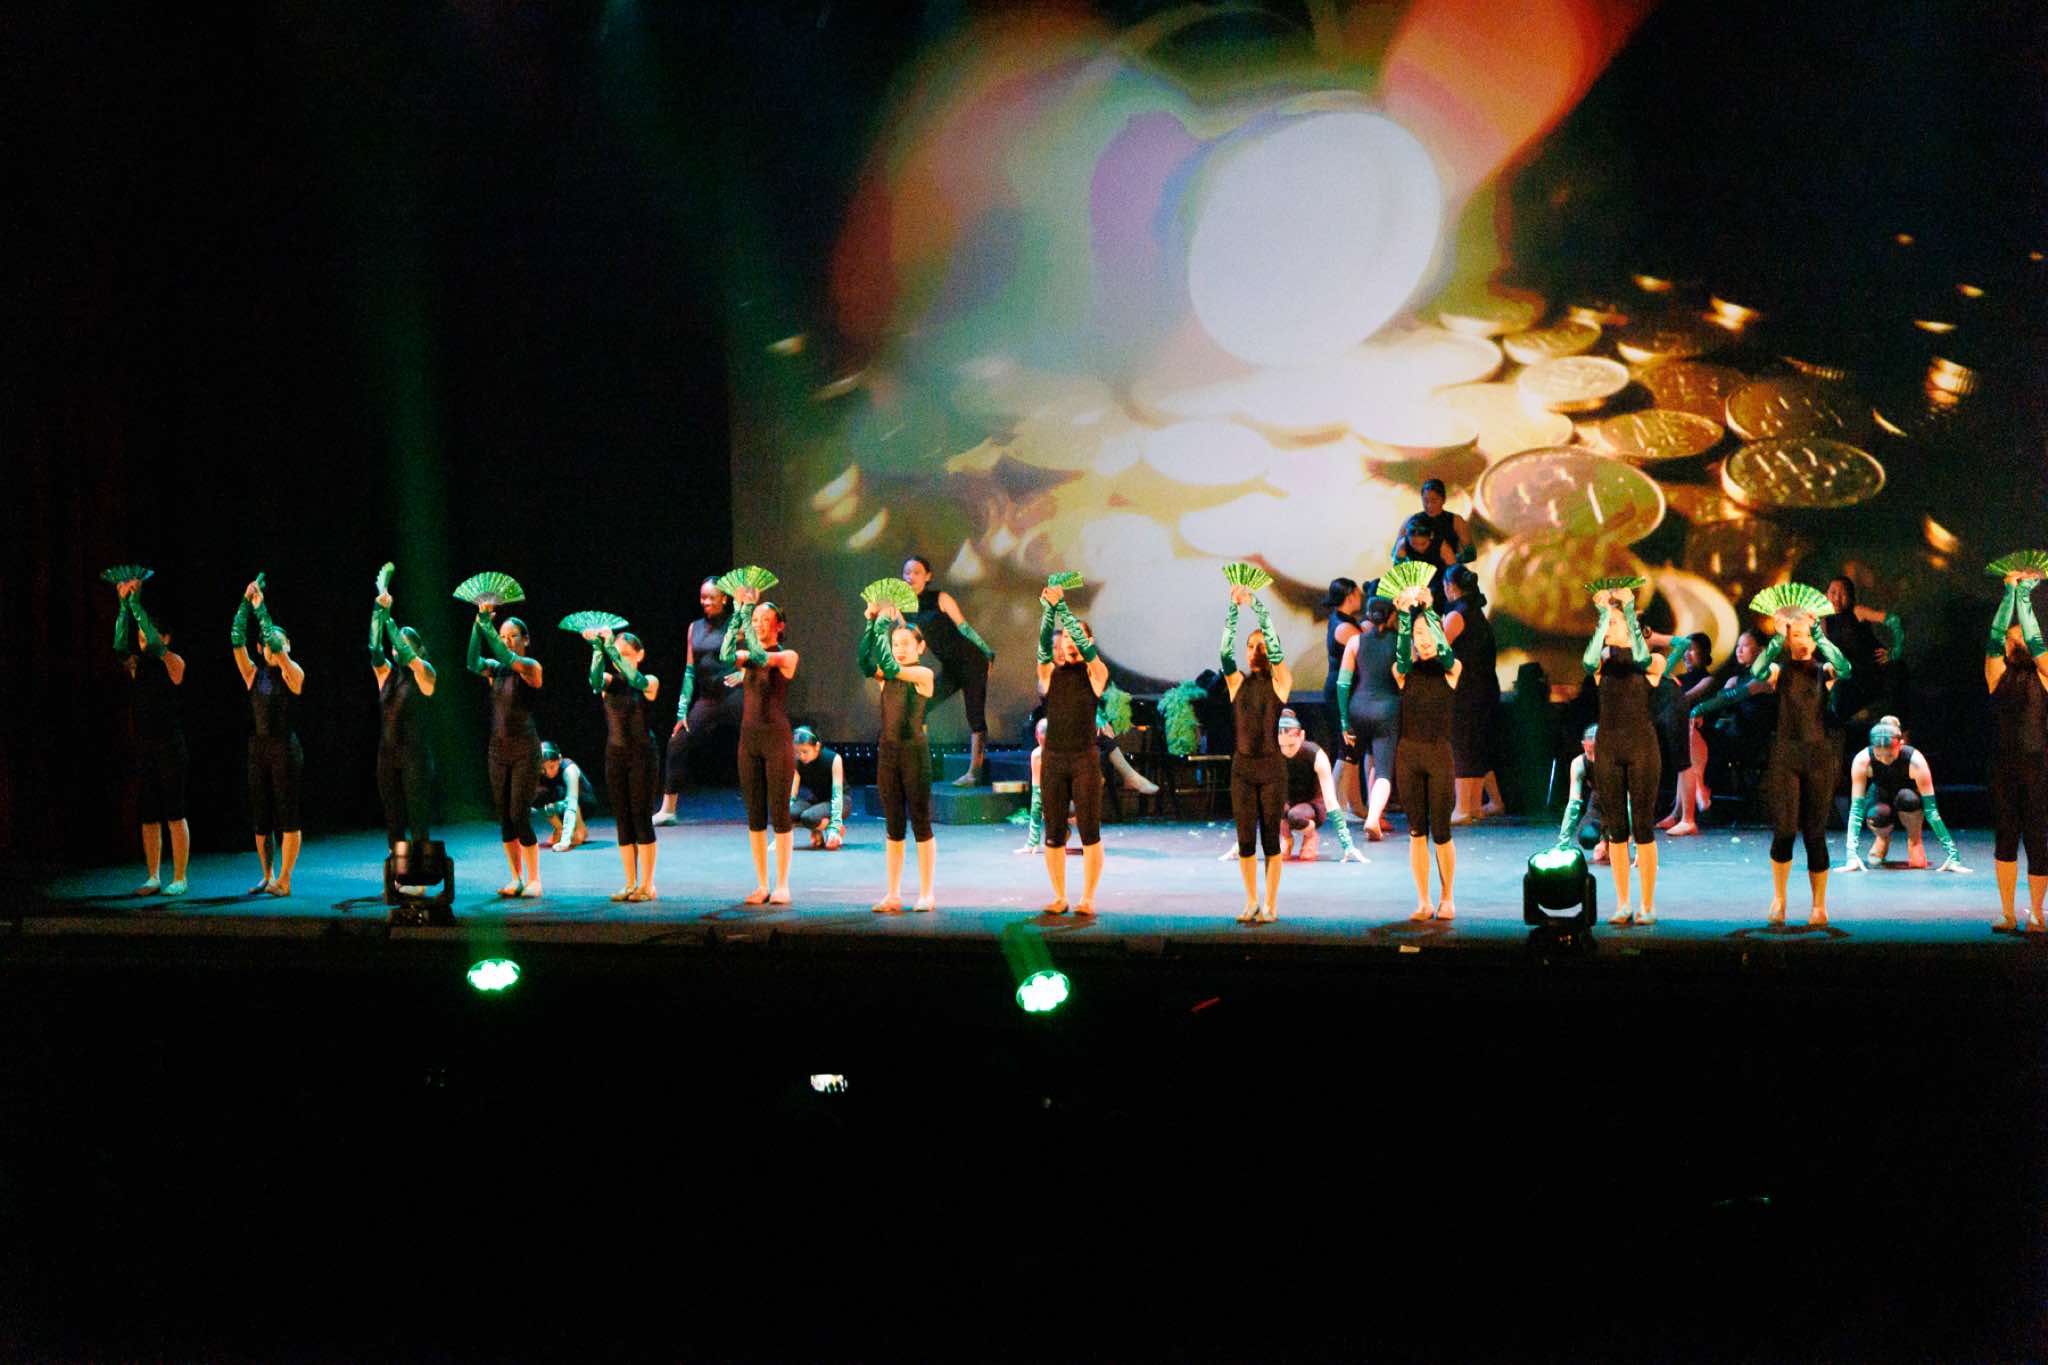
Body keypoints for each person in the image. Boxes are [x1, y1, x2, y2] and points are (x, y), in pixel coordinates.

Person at [1748, 604, 1855, 927]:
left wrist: (1819, 635)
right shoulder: (1778, 671)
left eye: (1807, 635)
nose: (1803, 640)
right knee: (1784, 831)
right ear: (1787, 639)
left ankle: (1819, 905)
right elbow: (1757, 670)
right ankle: (1779, 898)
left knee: (1815, 833)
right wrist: (1777, 639)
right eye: (1797, 635)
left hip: (1819, 757)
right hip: (1786, 756)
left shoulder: (1824, 671)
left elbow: (1845, 667)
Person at [1581, 585, 1666, 925]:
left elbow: (1642, 659)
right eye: (1607, 623)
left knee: (1642, 825)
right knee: (1615, 827)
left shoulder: (1653, 661)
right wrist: (1605, 616)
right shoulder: (1601, 664)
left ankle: (1648, 903)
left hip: (1642, 747)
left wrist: (1627, 611)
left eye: (1615, 623)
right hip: (1609, 748)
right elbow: (1587, 661)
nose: (1609, 628)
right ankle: (1622, 903)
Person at [859, 600, 938, 912]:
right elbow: (865, 662)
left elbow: (891, 668)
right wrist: (870, 623)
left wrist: (882, 625)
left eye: (906, 643)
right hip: (888, 754)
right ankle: (893, 893)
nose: (900, 649)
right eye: (895, 644)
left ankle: (926, 892)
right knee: (893, 823)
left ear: (921, 647)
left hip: (914, 754)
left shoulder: (922, 674)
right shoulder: (886, 677)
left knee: (920, 820)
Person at [1221, 585, 1293, 923]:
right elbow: (1225, 653)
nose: (1254, 652)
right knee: (1245, 838)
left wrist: (1260, 609)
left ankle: (1271, 903)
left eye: (1260, 646)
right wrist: (1234, 611)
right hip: (1243, 769)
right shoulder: (1237, 683)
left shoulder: (1280, 682)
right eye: (1250, 647)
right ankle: (1251, 900)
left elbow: (1276, 653)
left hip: (1271, 768)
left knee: (1270, 839)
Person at [1035, 584, 1109, 914]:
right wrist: (1049, 611)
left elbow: (1092, 660)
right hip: (1054, 759)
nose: (1068, 639)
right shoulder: (1050, 674)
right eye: (1065, 635)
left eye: (1075, 635)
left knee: (1090, 831)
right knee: (1053, 832)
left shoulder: (1095, 674)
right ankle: (1059, 895)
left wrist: (1062, 609)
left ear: (1088, 641)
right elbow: (1042, 648)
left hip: (1084, 760)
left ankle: (1088, 898)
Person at [726, 585, 800, 905]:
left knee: (779, 812)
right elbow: (726, 654)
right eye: (754, 619)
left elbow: (759, 657)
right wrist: (738, 613)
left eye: (764, 619)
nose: (758, 624)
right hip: (749, 741)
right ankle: (761, 884)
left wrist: (745, 615)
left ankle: (782, 883)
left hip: (776, 741)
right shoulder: (748, 657)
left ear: (779, 626)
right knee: (754, 814)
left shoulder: (787, 656)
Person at [114, 578, 188, 896]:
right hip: (145, 746)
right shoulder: (137, 665)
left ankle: (180, 877)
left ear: (166, 637)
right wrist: (123, 606)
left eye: (150, 635)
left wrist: (136, 604)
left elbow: (157, 648)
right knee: (148, 814)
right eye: (142, 636)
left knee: (174, 812)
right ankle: (153, 875)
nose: (144, 639)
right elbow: (119, 647)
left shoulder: (174, 662)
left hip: (170, 745)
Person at [231, 578, 306, 897]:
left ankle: (285, 879)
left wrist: (264, 613)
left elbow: (290, 668)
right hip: (258, 749)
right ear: (261, 649)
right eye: (269, 642)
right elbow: (236, 640)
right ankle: (267, 874)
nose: (274, 644)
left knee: (287, 814)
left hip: (284, 748)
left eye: (281, 641)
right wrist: (246, 603)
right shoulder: (253, 672)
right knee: (261, 817)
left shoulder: (292, 672)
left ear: (287, 645)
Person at [1983, 573, 2048, 930]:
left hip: (2039, 767)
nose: (2019, 640)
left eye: (2023, 636)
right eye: (2013, 638)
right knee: (2005, 837)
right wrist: (2010, 594)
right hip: (2004, 767)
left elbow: (2036, 642)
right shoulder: (1996, 674)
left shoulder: (2045, 674)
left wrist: (2024, 598)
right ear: (2007, 648)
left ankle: (2037, 912)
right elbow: (1995, 635)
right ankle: (2008, 912)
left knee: (2038, 839)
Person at [1391, 591, 1462, 919]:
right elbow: (1403, 656)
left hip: (1438, 755)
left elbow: (1446, 655)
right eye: (1418, 634)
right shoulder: (1402, 671)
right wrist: (1406, 617)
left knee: (1441, 831)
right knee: (1416, 830)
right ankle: (1423, 900)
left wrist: (1430, 611)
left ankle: (1447, 897)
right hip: (1409, 755)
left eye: (1429, 633)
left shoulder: (1452, 668)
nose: (1424, 639)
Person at [903, 555, 998, 786]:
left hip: (971, 661)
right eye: (907, 572)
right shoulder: (904, 609)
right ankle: (922, 766)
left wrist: (987, 652)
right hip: (951, 668)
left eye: (916, 572)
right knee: (921, 706)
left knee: (975, 715)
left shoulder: (941, 598)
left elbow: (964, 627)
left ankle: (974, 772)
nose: (910, 577)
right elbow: (910, 641)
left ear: (928, 576)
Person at [469, 606, 545, 897]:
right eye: (502, 636)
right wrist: (477, 626)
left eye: (513, 635)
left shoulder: (530, 667)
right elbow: (472, 661)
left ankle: (534, 879)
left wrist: (487, 626)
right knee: (504, 816)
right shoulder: (496, 669)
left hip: (525, 748)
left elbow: (507, 656)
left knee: (519, 814)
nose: (507, 640)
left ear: (525, 639)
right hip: (498, 750)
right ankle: (516, 877)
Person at [655, 579, 743, 827]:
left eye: (711, 597)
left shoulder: (735, 623)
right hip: (708, 698)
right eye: (703, 597)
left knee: (760, 743)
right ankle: (668, 810)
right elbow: (690, 670)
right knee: (677, 741)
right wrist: (682, 710)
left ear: (724, 598)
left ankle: (785, 803)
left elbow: (758, 653)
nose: (705, 602)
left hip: (734, 695)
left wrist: (744, 675)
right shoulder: (694, 628)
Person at [370, 583, 436, 891]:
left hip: (415, 755)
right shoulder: (386, 674)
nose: (397, 649)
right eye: (396, 645)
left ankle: (420, 878)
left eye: (404, 645)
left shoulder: (425, 672)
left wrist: (390, 618)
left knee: (417, 817)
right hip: (387, 755)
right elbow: (374, 649)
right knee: (393, 818)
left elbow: (407, 654)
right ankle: (399, 876)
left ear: (417, 648)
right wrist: (378, 612)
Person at [588, 627, 660, 902]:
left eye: (627, 654)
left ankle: (647, 884)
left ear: (640, 655)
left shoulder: (649, 681)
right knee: (623, 818)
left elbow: (636, 680)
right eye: (617, 654)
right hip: (615, 755)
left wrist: (611, 649)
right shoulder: (609, 682)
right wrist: (598, 649)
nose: (620, 659)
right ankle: (630, 882)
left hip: (643, 755)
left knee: (641, 816)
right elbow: (595, 680)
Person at [1843, 716, 1966, 873]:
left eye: (1889, 755)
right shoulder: (1862, 760)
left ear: (1901, 745)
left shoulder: (1916, 761)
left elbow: (1932, 811)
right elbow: (1856, 809)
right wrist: (1851, 856)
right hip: (1880, 795)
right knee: (1877, 813)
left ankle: (1914, 840)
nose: (1884, 760)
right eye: (1879, 756)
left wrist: (1953, 856)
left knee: (1908, 799)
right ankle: (1882, 839)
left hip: (1908, 797)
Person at [1336, 596, 1401, 839]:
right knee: (1382, 770)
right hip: (1387, 710)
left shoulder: (1355, 641)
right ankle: (1374, 817)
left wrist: (1344, 719)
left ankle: (1341, 810)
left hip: (1358, 708)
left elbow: (1343, 683)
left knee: (1353, 760)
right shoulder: (1400, 642)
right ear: (1392, 616)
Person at [1442, 566, 1503, 822]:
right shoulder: (1477, 613)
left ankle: (1463, 808)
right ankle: (1474, 806)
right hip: (1485, 688)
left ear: (1451, 587)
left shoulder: (1457, 615)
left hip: (1466, 690)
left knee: (1462, 746)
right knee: (1475, 747)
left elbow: (1438, 649)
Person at [1276, 711, 1363, 863]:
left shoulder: (1315, 755)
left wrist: (1347, 845)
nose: (1287, 751)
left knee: (1294, 816)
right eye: (1282, 746)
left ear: (1302, 736)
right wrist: (1243, 844)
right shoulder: (1273, 754)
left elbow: (1331, 801)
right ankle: (1287, 838)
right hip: (1287, 802)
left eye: (1291, 745)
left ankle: (1310, 835)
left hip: (1313, 806)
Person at [1657, 632, 1717, 836]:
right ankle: (1681, 808)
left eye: (1692, 650)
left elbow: (1686, 699)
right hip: (1681, 730)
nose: (1686, 655)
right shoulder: (1679, 679)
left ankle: (1683, 811)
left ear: (1704, 654)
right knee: (1682, 738)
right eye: (1685, 650)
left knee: (1687, 735)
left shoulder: (1708, 679)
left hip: (1705, 732)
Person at [1320, 578, 1363, 795]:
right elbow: (1368, 650)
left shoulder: (1341, 620)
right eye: (1358, 592)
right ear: (1350, 596)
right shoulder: (1344, 627)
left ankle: (1354, 804)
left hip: (1345, 689)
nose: (1361, 596)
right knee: (1346, 748)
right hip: (1342, 691)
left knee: (1350, 750)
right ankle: (1337, 801)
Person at [1387, 478, 1476, 569]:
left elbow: (1470, 554)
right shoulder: (1409, 522)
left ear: (1443, 500)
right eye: (1426, 501)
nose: (1429, 505)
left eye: (1434, 501)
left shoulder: (1456, 521)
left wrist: (1451, 559)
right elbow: (1395, 555)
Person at [1554, 724, 1608, 862]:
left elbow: (1630, 803)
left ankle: (1609, 842)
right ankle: (1604, 841)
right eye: (1590, 752)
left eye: (1597, 752)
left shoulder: (1617, 762)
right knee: (1587, 836)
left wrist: (1639, 847)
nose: (1594, 758)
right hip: (1598, 804)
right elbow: (1573, 803)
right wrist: (1562, 844)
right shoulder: (1579, 763)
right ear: (1584, 746)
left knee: (1619, 837)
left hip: (1620, 806)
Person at [791, 727, 845, 849]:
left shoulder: (833, 759)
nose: (801, 756)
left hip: (838, 800)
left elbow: (837, 795)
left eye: (805, 752)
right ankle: (816, 829)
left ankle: (834, 828)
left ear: (817, 747)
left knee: (808, 817)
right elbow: (792, 794)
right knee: (787, 814)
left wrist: (834, 828)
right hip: (816, 799)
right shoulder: (798, 762)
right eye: (797, 752)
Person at [532, 742, 588, 851]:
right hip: (560, 803)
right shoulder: (538, 773)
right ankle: (559, 829)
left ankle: (580, 830)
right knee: (537, 795)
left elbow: (571, 803)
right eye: (542, 769)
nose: (548, 772)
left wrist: (565, 842)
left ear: (560, 759)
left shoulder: (569, 769)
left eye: (552, 767)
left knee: (564, 793)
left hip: (582, 801)